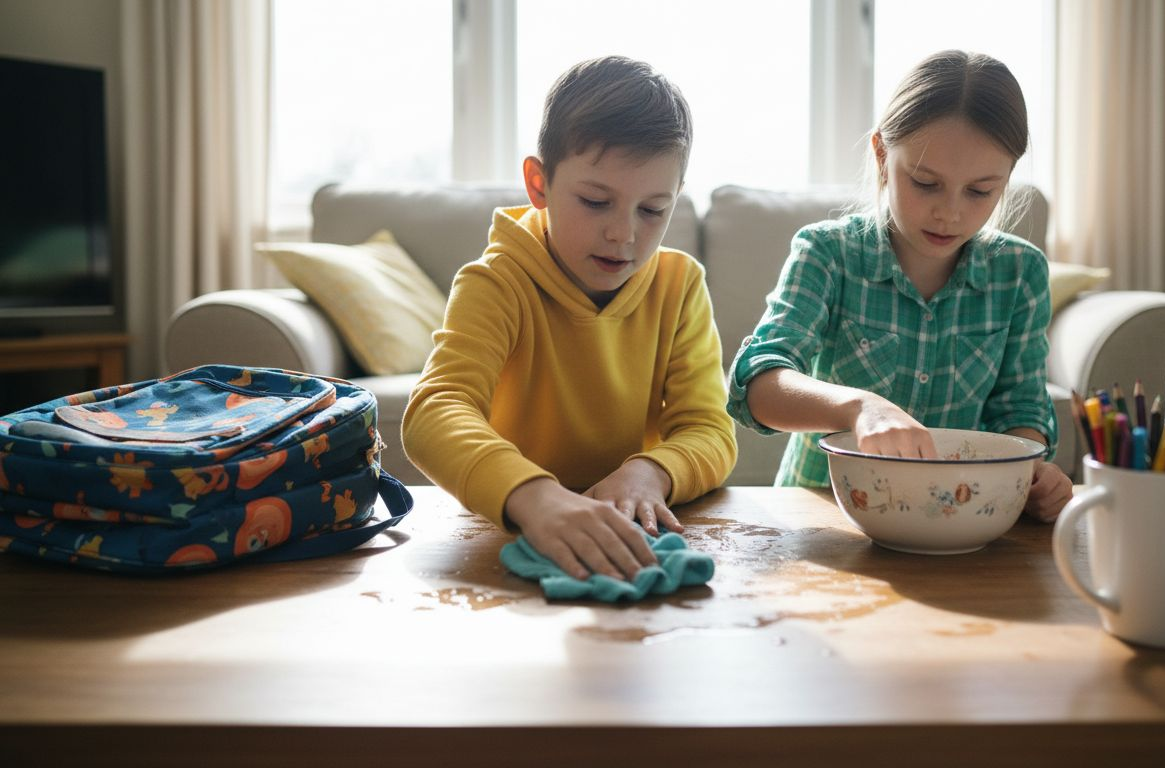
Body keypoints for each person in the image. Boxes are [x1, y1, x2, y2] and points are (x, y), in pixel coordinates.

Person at [403, 56, 736, 581]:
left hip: (629, 531)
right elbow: (434, 412)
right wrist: (535, 498)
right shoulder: (497, 282)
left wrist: (651, 472)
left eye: (652, 210)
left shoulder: (680, 286)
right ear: (539, 184)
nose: (623, 234)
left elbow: (709, 430)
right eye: (595, 201)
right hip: (510, 536)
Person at [727, 50, 1071, 522]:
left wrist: (1029, 471)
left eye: (979, 191)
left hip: (959, 520)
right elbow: (757, 384)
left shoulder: (1020, 272)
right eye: (926, 183)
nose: (949, 213)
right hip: (821, 515)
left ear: (1008, 178)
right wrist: (858, 407)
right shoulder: (828, 253)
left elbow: (1022, 408)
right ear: (883, 156)